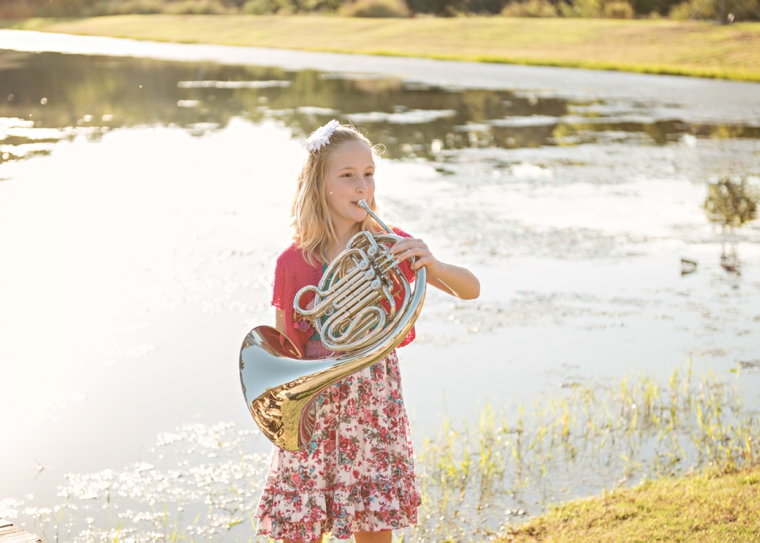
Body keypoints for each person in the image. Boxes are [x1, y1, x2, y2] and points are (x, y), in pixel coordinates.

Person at [255, 120, 480, 543]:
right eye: (348, 176)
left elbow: (471, 289)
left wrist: (432, 264)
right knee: (298, 530)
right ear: (320, 186)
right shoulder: (293, 261)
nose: (363, 186)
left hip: (373, 401)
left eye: (369, 174)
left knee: (373, 524)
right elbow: (283, 350)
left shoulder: (389, 244)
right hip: (315, 405)